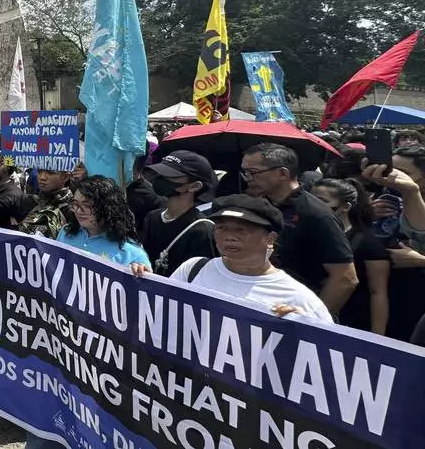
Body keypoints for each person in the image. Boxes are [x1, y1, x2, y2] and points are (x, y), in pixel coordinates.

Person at [135, 194, 333, 322]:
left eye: (241, 230)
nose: (229, 236)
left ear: (270, 238)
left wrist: (301, 329)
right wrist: (140, 283)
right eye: (221, 228)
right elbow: (157, 316)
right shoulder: (193, 269)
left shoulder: (298, 299)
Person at [241, 143, 357, 315]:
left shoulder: (317, 214)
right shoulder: (256, 205)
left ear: (283, 173)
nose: (248, 178)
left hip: (294, 316)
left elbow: (345, 278)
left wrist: (311, 321)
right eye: (245, 172)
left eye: (254, 172)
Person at [313, 179, 390, 334]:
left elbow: (378, 292)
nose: (315, 206)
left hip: (348, 320)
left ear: (345, 207)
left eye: (322, 201)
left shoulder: (367, 243)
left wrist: (377, 338)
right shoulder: (308, 231)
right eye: (311, 199)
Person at [139, 151, 217, 275]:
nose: (160, 179)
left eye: (171, 176)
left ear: (194, 186)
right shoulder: (152, 218)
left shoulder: (203, 230)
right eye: (160, 173)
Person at [61, 176, 150, 267]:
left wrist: (142, 274)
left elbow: (148, 279)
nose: (78, 211)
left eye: (87, 205)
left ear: (107, 208)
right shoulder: (65, 232)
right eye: (75, 204)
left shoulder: (133, 255)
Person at [20, 167, 76, 238]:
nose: (42, 177)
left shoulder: (74, 210)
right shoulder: (29, 202)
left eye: (50, 172)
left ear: (65, 177)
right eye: (39, 171)